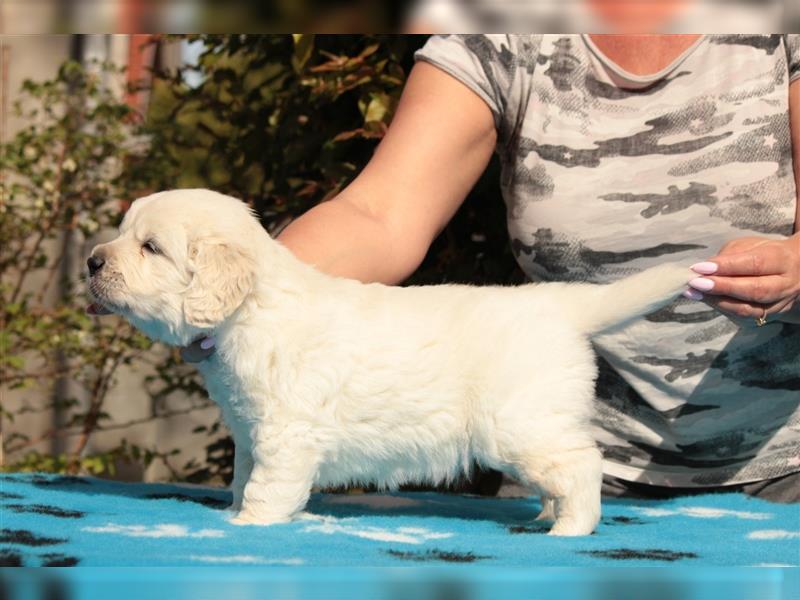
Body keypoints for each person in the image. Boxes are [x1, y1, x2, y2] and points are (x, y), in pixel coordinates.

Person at [183, 34, 800, 502]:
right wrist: (246, 297)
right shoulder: (500, 30)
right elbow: (379, 215)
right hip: (556, 471)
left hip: (786, 472)